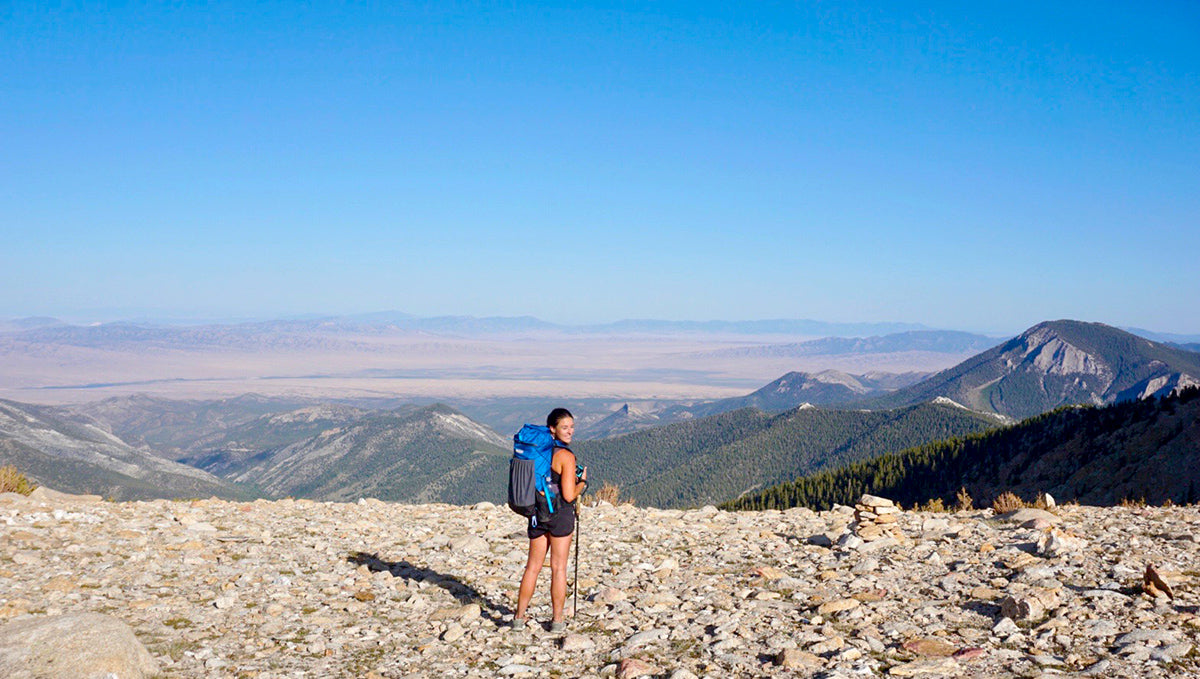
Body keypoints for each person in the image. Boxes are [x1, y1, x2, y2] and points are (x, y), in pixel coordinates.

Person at [513, 407, 587, 632]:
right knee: (558, 568)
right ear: (552, 429)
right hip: (560, 516)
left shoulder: (536, 451)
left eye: (572, 426)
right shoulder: (565, 456)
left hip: (536, 512)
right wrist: (582, 482)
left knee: (532, 567)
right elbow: (567, 494)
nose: (570, 431)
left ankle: (518, 618)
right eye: (565, 427)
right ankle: (557, 621)